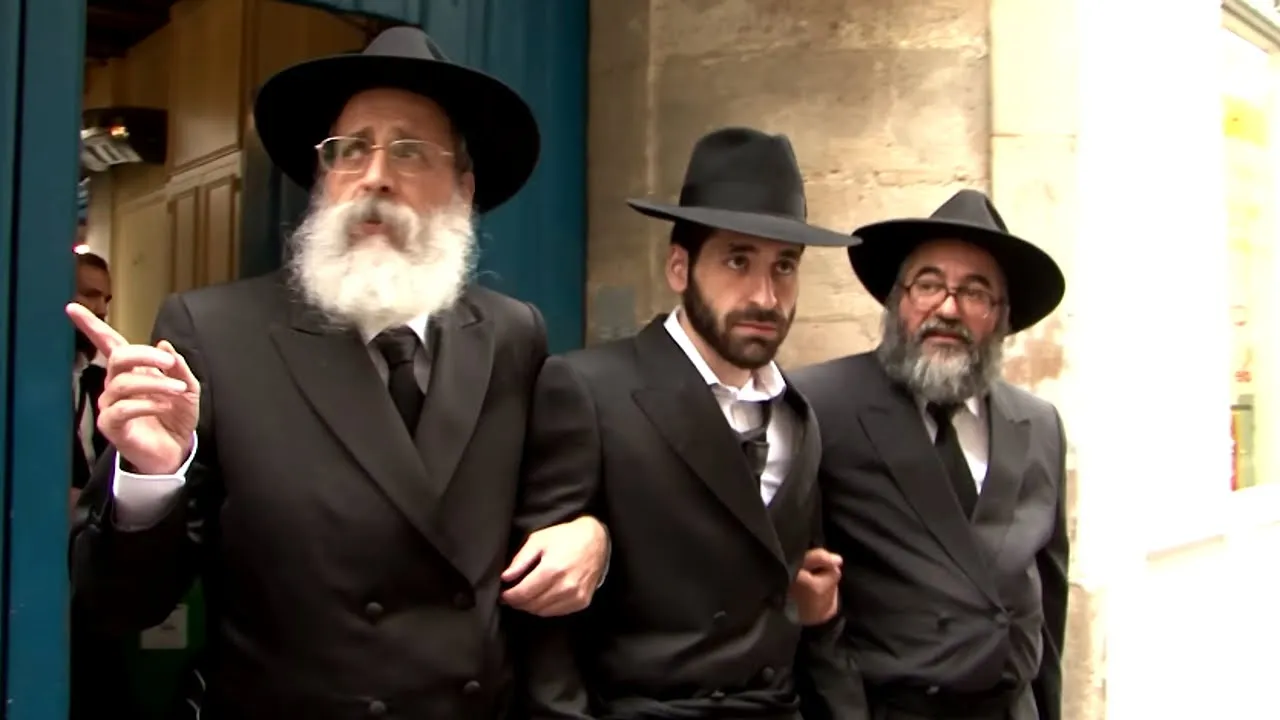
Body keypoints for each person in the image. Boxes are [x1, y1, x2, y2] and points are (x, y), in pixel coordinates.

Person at [68, 27, 609, 720]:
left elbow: (548, 514)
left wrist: (591, 536)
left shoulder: (513, 333)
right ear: (324, 180)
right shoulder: (215, 333)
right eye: (350, 149)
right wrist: (151, 479)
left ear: (463, 190)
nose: (374, 175)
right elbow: (116, 608)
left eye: (409, 150)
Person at [520, 127, 867, 719]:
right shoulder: (588, 389)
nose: (766, 295)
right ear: (679, 267)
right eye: (738, 261)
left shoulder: (798, 415)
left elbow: (803, 594)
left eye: (785, 266)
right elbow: (541, 618)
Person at [791, 190, 1070, 720]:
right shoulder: (821, 405)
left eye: (976, 292)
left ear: (1001, 317)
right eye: (928, 285)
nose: (947, 308)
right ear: (897, 300)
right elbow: (797, 600)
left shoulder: (1039, 425)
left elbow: (1048, 606)